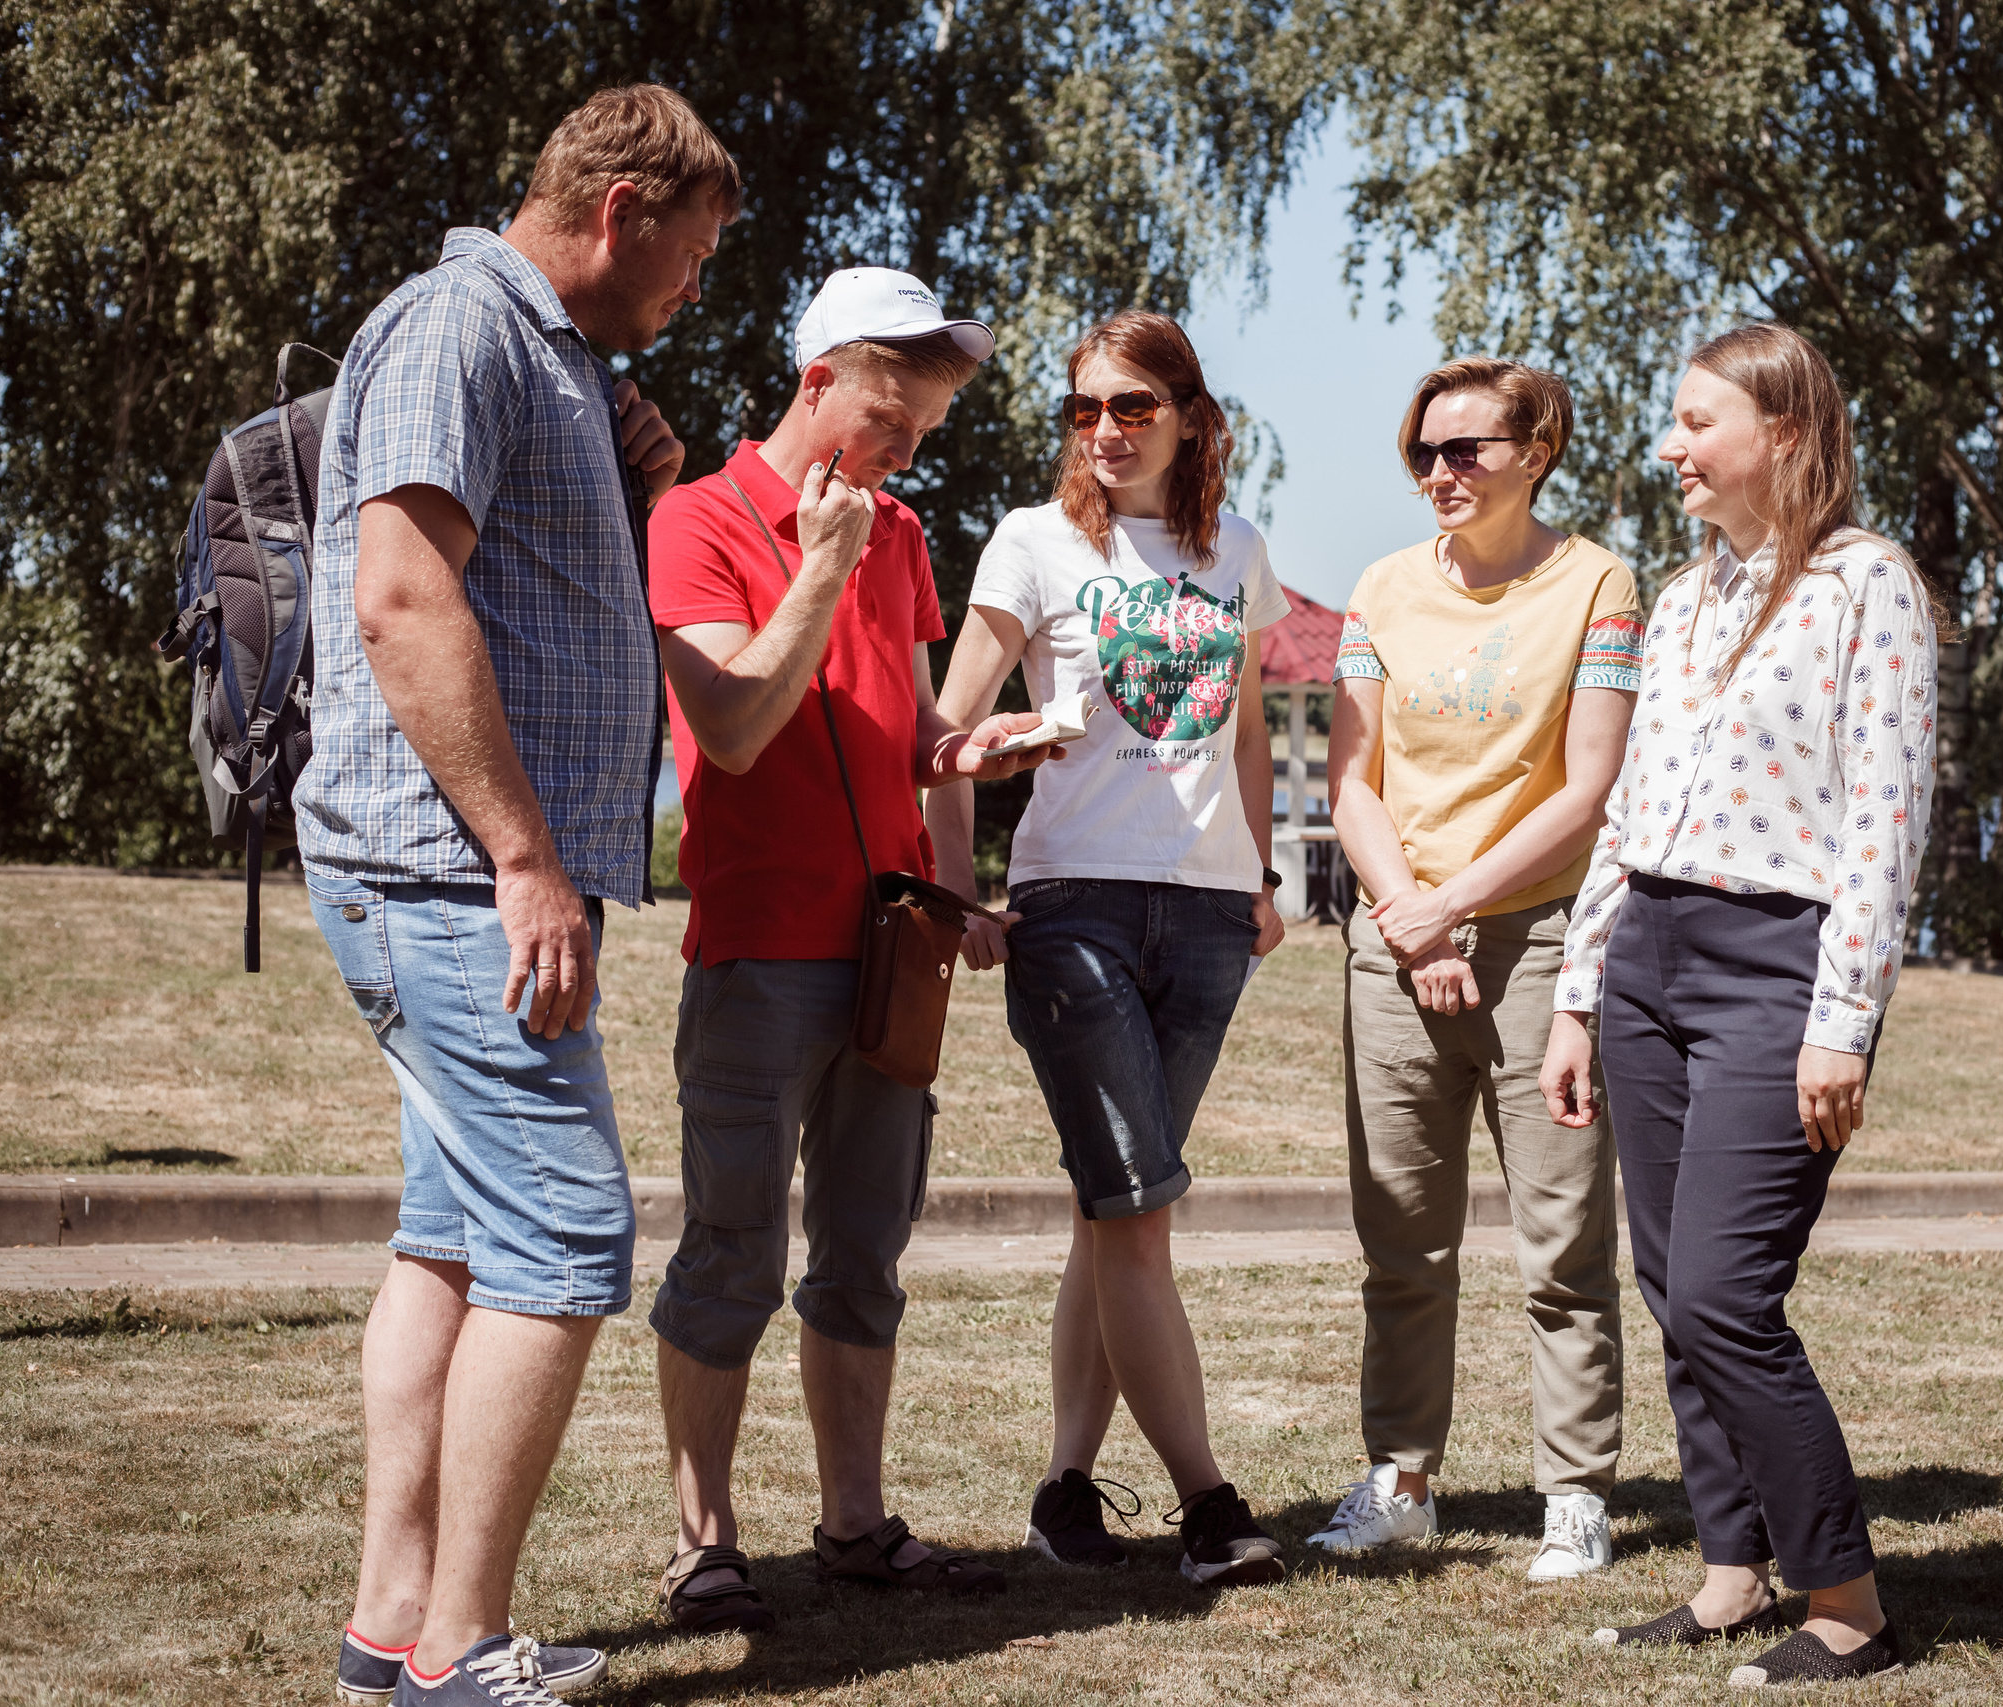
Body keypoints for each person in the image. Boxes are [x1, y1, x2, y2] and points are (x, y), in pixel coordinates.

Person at [295, 86, 739, 1707]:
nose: (691, 293)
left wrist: (620, 443)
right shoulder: (456, 326)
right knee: (564, 1232)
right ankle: (459, 1654)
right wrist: (528, 857)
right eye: (687, 261)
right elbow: (403, 598)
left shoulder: (544, 357)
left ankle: (388, 1631)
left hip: (452, 869)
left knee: (460, 1240)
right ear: (618, 211)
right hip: (449, 872)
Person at [642, 269, 1053, 1629]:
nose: (906, 450)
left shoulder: (904, 532)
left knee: (865, 1251)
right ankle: (706, 1540)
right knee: (731, 1252)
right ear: (818, 380)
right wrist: (821, 559)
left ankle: (857, 1523)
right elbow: (742, 725)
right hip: (760, 950)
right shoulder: (696, 521)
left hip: (891, 954)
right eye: (893, 413)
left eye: (927, 428)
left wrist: (968, 796)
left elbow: (915, 733)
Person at [1542, 322, 1939, 1687]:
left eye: (1698, 422)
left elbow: (1888, 821)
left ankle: (1848, 1601)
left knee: (1723, 1290)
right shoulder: (1685, 593)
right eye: (1673, 420)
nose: (1670, 447)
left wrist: (1847, 1015)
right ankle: (1730, 1571)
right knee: (1669, 1284)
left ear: (1785, 432)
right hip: (1647, 950)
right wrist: (1581, 993)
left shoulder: (1868, 584)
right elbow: (1633, 808)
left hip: (1780, 966)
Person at [928, 311, 1290, 1586]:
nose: (1106, 430)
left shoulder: (1233, 549)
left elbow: (1243, 727)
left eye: (1133, 405)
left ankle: (1065, 1491)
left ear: (1187, 414)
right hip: (1070, 911)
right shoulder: (1033, 543)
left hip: (1204, 918)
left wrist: (1259, 871)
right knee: (1140, 1214)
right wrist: (953, 887)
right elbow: (943, 733)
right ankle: (1209, 1509)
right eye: (1085, 408)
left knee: (1111, 1210)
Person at [1306, 358, 1641, 1580]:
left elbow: (1591, 785)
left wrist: (1452, 908)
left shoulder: (1598, 582)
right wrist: (1411, 918)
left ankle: (1575, 1497)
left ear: (1535, 451)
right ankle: (1400, 1481)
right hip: (1396, 942)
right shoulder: (1381, 589)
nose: (1439, 474)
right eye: (1421, 454)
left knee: (1563, 1246)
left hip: (1540, 944)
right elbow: (1351, 778)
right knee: (1401, 1241)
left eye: (1466, 451)